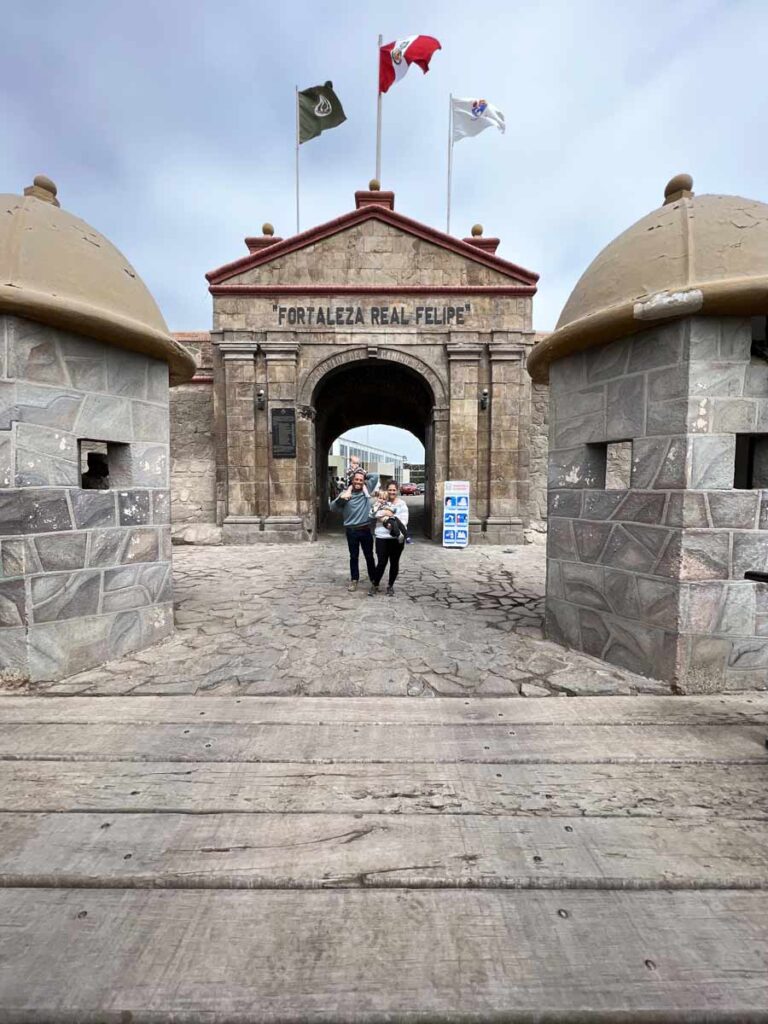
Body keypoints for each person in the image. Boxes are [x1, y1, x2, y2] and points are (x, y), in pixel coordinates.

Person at [331, 468, 378, 592]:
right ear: (352, 481)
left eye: (361, 480)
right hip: (351, 531)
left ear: (364, 481)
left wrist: (363, 473)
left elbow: (375, 476)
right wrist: (342, 499)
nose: (358, 481)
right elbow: (333, 508)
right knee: (353, 556)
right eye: (356, 479)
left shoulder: (366, 490)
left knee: (369, 556)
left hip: (365, 529)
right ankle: (354, 580)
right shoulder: (346, 494)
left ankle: (374, 580)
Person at [369, 480, 409, 597]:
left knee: (394, 563)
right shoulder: (380, 501)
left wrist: (391, 517)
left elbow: (404, 520)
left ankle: (390, 585)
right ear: (387, 490)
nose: (392, 492)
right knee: (381, 562)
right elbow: (372, 514)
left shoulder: (402, 504)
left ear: (397, 491)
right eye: (390, 490)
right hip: (382, 537)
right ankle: (375, 584)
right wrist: (384, 514)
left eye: (394, 490)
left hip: (396, 538)